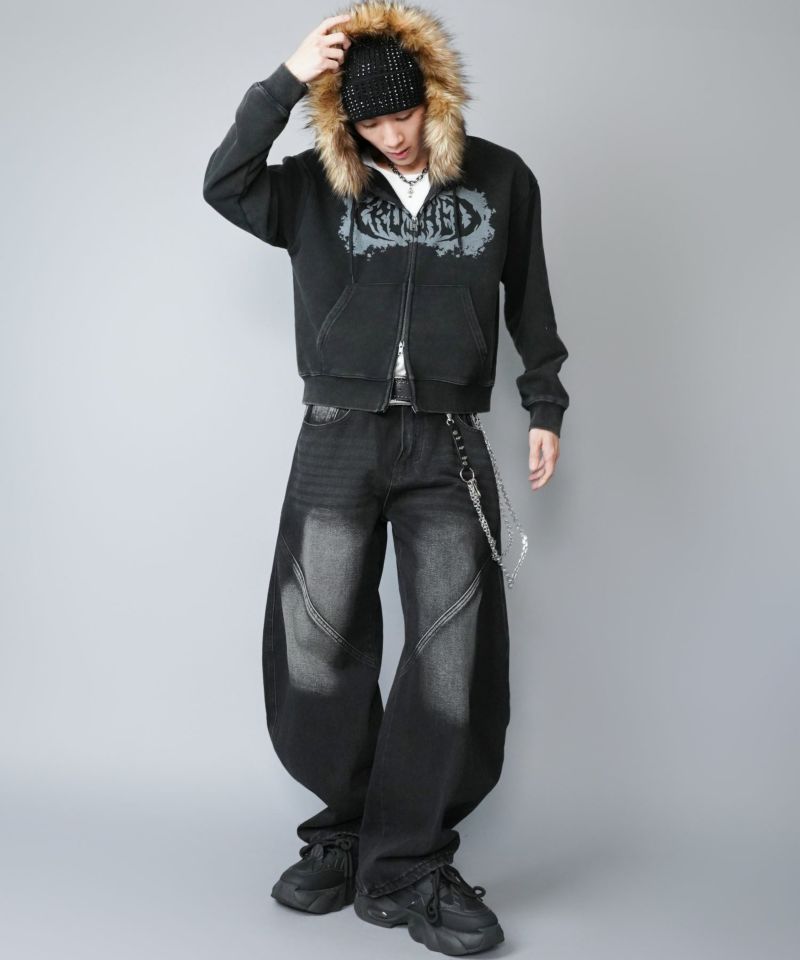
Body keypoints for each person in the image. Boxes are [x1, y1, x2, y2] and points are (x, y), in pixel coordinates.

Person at [202, 2, 570, 954]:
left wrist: (543, 402)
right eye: (371, 122)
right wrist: (286, 80)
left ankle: (408, 861)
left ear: (433, 98)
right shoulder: (314, 186)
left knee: (453, 657)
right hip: (337, 435)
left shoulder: (500, 178)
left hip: (447, 440)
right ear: (345, 120)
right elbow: (223, 181)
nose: (394, 136)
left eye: (404, 114)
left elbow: (529, 297)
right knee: (315, 643)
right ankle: (350, 829)